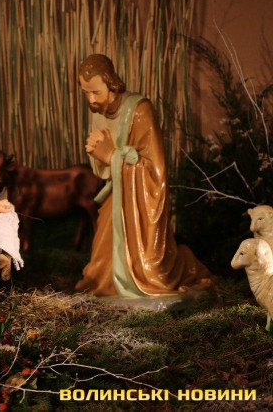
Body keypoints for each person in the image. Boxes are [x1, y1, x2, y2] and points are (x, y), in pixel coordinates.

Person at [75, 54, 212, 298]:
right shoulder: (97, 111)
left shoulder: (140, 111)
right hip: (117, 193)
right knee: (99, 267)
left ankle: (184, 264)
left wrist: (111, 156)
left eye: (96, 92)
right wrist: (100, 157)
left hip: (140, 200)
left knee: (152, 270)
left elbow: (154, 171)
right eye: (86, 93)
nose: (91, 100)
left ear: (111, 84)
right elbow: (104, 170)